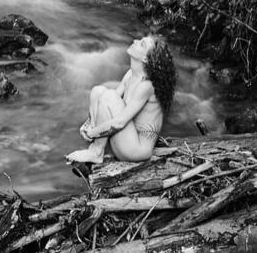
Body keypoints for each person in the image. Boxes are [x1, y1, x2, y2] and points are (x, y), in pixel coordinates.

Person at [65, 34, 176, 165]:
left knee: (109, 96)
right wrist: (88, 124)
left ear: (146, 59)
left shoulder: (146, 86)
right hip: (126, 139)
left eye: (142, 44)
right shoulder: (131, 74)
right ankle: (95, 148)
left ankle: (96, 152)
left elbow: (119, 123)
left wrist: (93, 133)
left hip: (137, 150)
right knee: (98, 91)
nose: (135, 41)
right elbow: (108, 102)